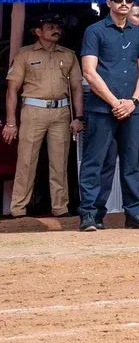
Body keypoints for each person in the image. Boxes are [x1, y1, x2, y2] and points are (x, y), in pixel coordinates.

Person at [78, 0, 139, 230]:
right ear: (109, 3)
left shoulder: (138, 34)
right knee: (98, 162)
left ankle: (134, 214)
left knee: (132, 163)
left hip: (131, 106)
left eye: (129, 0)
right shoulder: (95, 31)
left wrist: (133, 101)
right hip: (103, 108)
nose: (124, 3)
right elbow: (89, 72)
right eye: (119, 0)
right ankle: (91, 214)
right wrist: (115, 102)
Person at [5, 14, 83, 219]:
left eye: (57, 26)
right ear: (37, 32)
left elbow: (77, 89)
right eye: (50, 27)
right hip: (33, 110)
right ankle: (18, 208)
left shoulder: (68, 55)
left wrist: (79, 117)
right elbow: (12, 89)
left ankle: (60, 207)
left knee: (60, 161)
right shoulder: (24, 54)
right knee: (26, 160)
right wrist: (11, 122)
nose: (56, 30)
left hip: (61, 112)